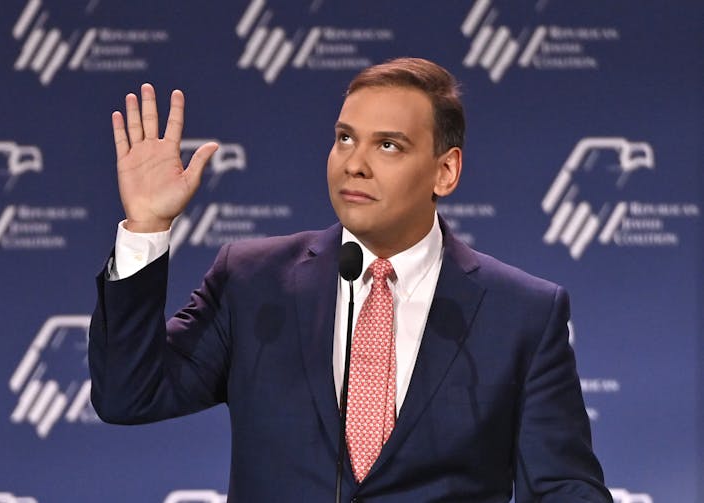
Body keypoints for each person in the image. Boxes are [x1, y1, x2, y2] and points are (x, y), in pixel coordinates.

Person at [89, 57, 612, 502]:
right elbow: (127, 395)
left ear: (445, 171)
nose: (354, 164)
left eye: (388, 146)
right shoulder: (253, 283)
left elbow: (565, 488)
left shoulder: (522, 313)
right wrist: (147, 226)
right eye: (345, 138)